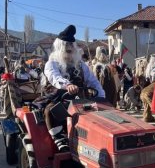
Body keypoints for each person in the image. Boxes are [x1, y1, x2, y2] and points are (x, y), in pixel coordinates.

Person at [39, 24, 105, 152]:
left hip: (80, 100)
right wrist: (67, 85)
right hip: (58, 98)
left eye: (71, 50)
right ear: (59, 49)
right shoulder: (51, 64)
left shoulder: (81, 65)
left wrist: (102, 96)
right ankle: (60, 139)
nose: (69, 54)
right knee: (52, 110)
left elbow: (93, 81)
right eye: (67, 50)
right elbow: (55, 77)